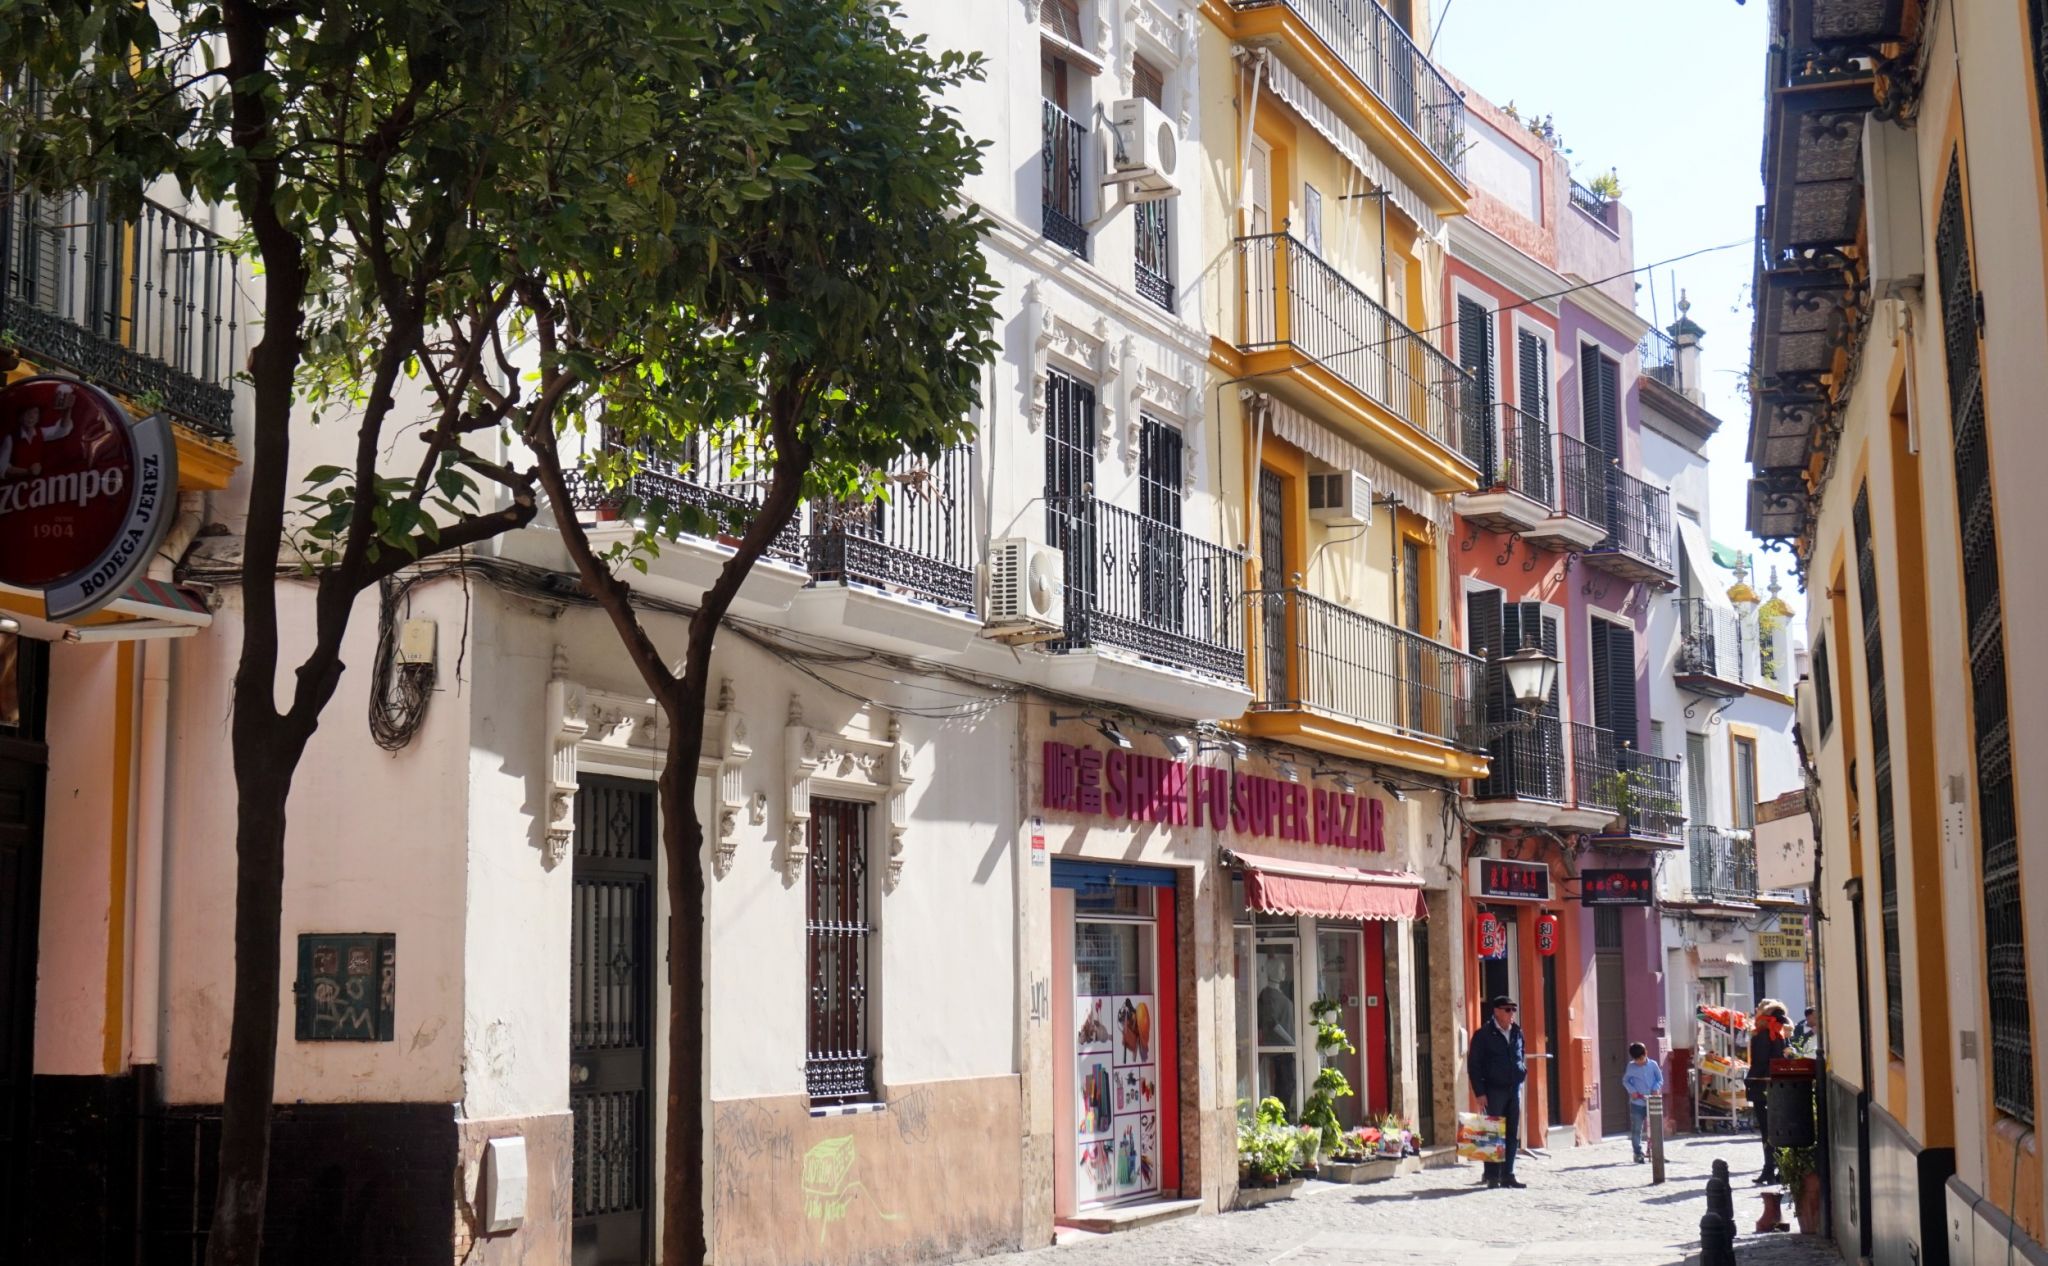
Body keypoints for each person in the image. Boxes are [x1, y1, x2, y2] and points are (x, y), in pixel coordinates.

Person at [1467, 994, 1528, 1188]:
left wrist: (1521, 1071)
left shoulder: (1517, 1032)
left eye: (1513, 1010)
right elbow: (1474, 1065)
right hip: (1493, 1090)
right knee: (1492, 1133)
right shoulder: (1483, 1035)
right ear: (1496, 1012)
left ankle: (1508, 1174)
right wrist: (1479, 1092)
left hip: (1513, 1089)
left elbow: (1521, 1054)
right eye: (1507, 1010)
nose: (1511, 1014)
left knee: (1511, 1133)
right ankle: (1492, 1175)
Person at [1747, 1000, 1791, 1184]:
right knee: (1778, 1129)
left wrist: (1749, 1080)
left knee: (1767, 1130)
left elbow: (1759, 1062)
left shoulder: (1763, 1034)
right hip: (1779, 1086)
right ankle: (1779, 1169)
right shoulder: (1781, 1033)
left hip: (1762, 1087)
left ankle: (1769, 1170)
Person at [1622, 1041, 1664, 1164]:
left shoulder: (1653, 1065)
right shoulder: (1631, 1067)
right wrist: (1632, 1091)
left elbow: (1660, 1079)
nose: (1639, 1062)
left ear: (1646, 1053)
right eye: (1636, 1060)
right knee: (1636, 1129)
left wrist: (1656, 1088)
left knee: (1655, 1128)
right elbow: (1625, 1081)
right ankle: (1638, 1153)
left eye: (1641, 1059)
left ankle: (1656, 1151)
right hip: (1637, 1103)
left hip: (1652, 1101)